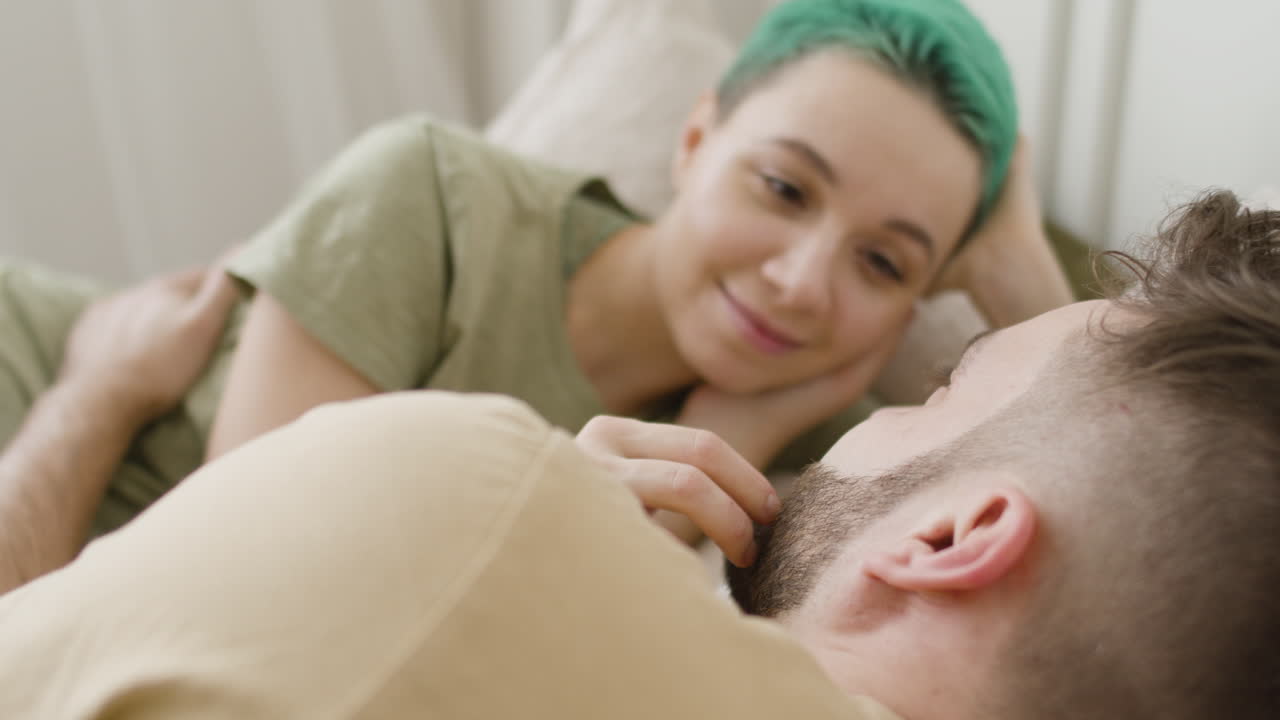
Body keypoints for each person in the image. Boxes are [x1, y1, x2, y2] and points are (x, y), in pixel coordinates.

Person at [1, 190, 1274, 718]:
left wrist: (527, 521)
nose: (868, 416)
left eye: (934, 386)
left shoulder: (463, 499)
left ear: (948, 539)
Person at [0, 0, 1070, 588]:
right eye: (782, 186)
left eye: (883, 263)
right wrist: (89, 397)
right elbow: (237, 591)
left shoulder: (814, 464)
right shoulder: (432, 198)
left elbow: (1088, 496)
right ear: (693, 141)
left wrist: (1020, 276)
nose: (799, 281)